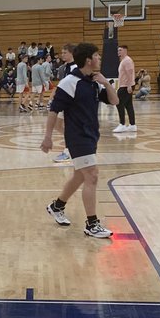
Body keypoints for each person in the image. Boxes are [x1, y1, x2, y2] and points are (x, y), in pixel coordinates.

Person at [40, 42, 118, 239]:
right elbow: (54, 110)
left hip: (91, 135)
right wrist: (48, 137)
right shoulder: (69, 82)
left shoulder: (93, 82)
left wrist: (106, 83)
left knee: (80, 176)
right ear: (89, 60)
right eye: (97, 56)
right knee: (92, 175)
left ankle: (57, 206)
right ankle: (92, 224)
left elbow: (115, 101)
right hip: (77, 137)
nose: (99, 58)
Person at [113, 44, 136, 133]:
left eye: (120, 50)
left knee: (119, 103)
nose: (118, 52)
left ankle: (122, 124)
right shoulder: (124, 60)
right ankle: (132, 125)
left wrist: (129, 85)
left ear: (125, 51)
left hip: (126, 86)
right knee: (128, 105)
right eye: (118, 50)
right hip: (125, 85)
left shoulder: (127, 60)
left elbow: (130, 73)